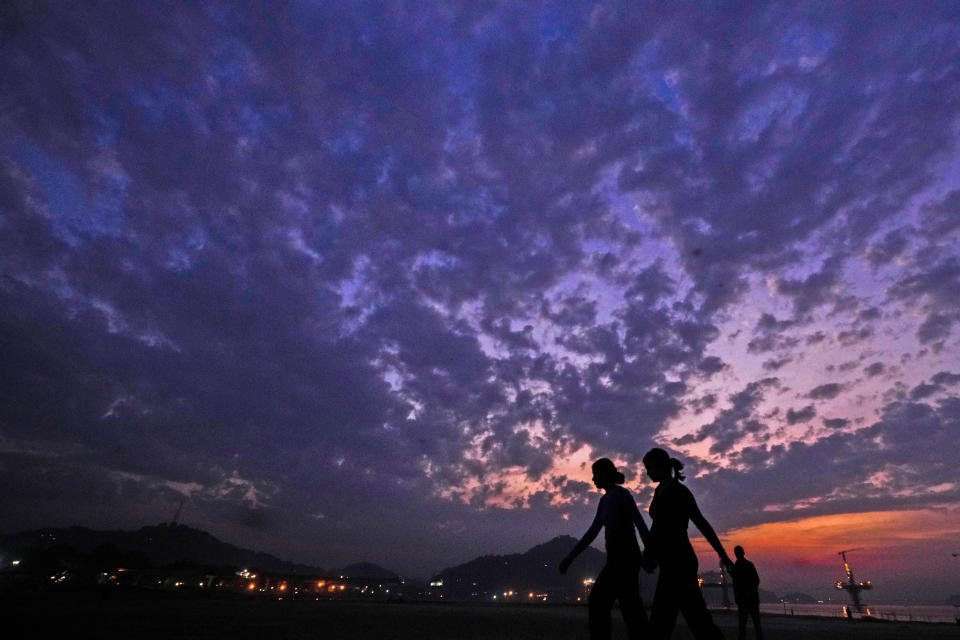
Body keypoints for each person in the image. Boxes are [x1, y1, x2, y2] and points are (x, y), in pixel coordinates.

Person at [642, 447, 731, 640]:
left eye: (649, 468)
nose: (647, 473)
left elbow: (701, 523)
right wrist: (649, 554)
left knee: (691, 622)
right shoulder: (659, 491)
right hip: (669, 564)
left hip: (680, 562)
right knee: (691, 621)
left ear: (660, 466)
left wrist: (723, 555)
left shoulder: (679, 492)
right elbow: (657, 528)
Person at [559, 458, 650, 640]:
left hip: (626, 558)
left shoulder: (622, 495)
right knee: (627, 607)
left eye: (595, 475)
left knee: (613, 604)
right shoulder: (605, 500)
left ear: (605, 475)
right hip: (615, 560)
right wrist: (571, 557)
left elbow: (640, 523)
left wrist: (649, 553)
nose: (593, 479)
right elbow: (592, 531)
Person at [731, 545, 763, 640]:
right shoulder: (748, 565)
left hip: (744, 600)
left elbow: (736, 584)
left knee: (743, 625)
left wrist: (739, 596)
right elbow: (756, 580)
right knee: (755, 624)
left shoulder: (736, 567)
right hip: (751, 599)